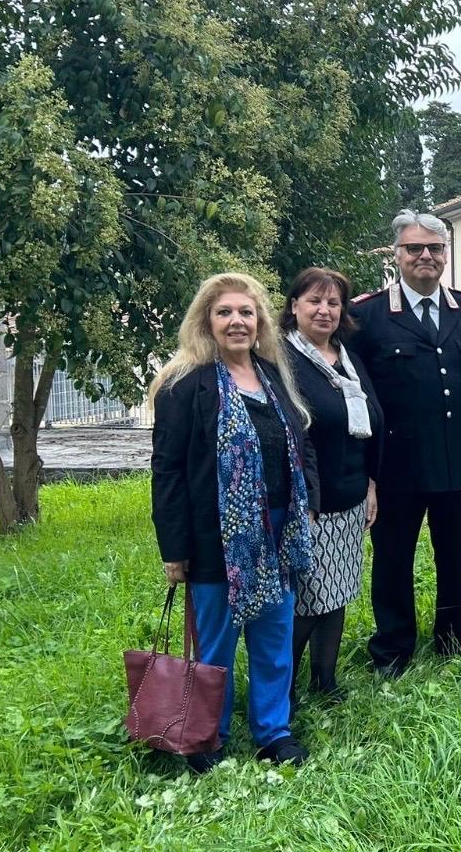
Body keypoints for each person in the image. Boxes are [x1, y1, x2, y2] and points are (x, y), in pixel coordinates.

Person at [149, 273, 318, 772]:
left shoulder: (274, 375)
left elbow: (300, 443)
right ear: (207, 321)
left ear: (260, 320)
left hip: (278, 531)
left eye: (246, 312)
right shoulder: (185, 386)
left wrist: (307, 503)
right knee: (216, 641)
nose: (236, 321)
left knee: (273, 636)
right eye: (224, 312)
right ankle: (207, 735)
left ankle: (274, 731)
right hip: (214, 537)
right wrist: (173, 547)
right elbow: (168, 470)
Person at [348, 210, 461, 677]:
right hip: (397, 464)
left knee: (455, 556)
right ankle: (393, 649)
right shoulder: (367, 316)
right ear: (397, 255)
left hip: (455, 459)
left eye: (434, 248)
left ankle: (453, 640)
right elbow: (357, 394)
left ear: (446, 255)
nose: (425, 256)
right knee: (393, 560)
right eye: (414, 248)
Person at [280, 267, 383, 708]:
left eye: (334, 303)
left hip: (352, 494)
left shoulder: (347, 358)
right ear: (294, 306)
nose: (324, 310)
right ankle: (281, 691)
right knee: (308, 600)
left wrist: (371, 484)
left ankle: (326, 680)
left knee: (337, 591)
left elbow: (371, 423)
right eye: (314, 301)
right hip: (309, 501)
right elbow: (292, 434)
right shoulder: (282, 361)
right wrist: (304, 496)